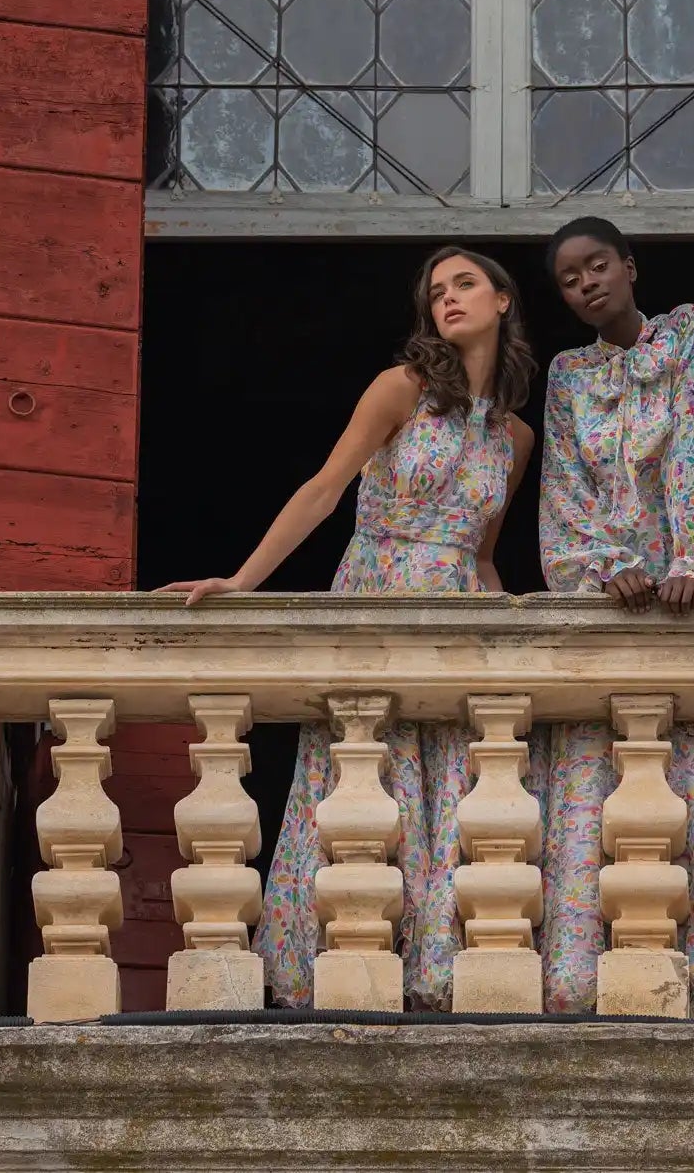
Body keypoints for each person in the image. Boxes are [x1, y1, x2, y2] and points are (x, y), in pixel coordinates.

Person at [159, 247, 536, 1009]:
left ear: (502, 301)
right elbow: (325, 489)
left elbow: (486, 556)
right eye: (436, 293)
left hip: (457, 613)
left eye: (466, 285)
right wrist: (241, 579)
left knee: (447, 787)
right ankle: (327, 968)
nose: (449, 300)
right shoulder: (403, 388)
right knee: (362, 779)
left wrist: (516, 634)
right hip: (378, 594)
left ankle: (434, 973)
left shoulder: (517, 439)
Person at [533, 216, 694, 1017]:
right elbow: (563, 490)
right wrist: (600, 569)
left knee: (686, 797)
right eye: (568, 278)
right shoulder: (566, 375)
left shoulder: (685, 335)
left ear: (629, 267)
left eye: (597, 266)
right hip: (607, 601)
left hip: (682, 593)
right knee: (598, 802)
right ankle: (581, 986)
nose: (587, 283)